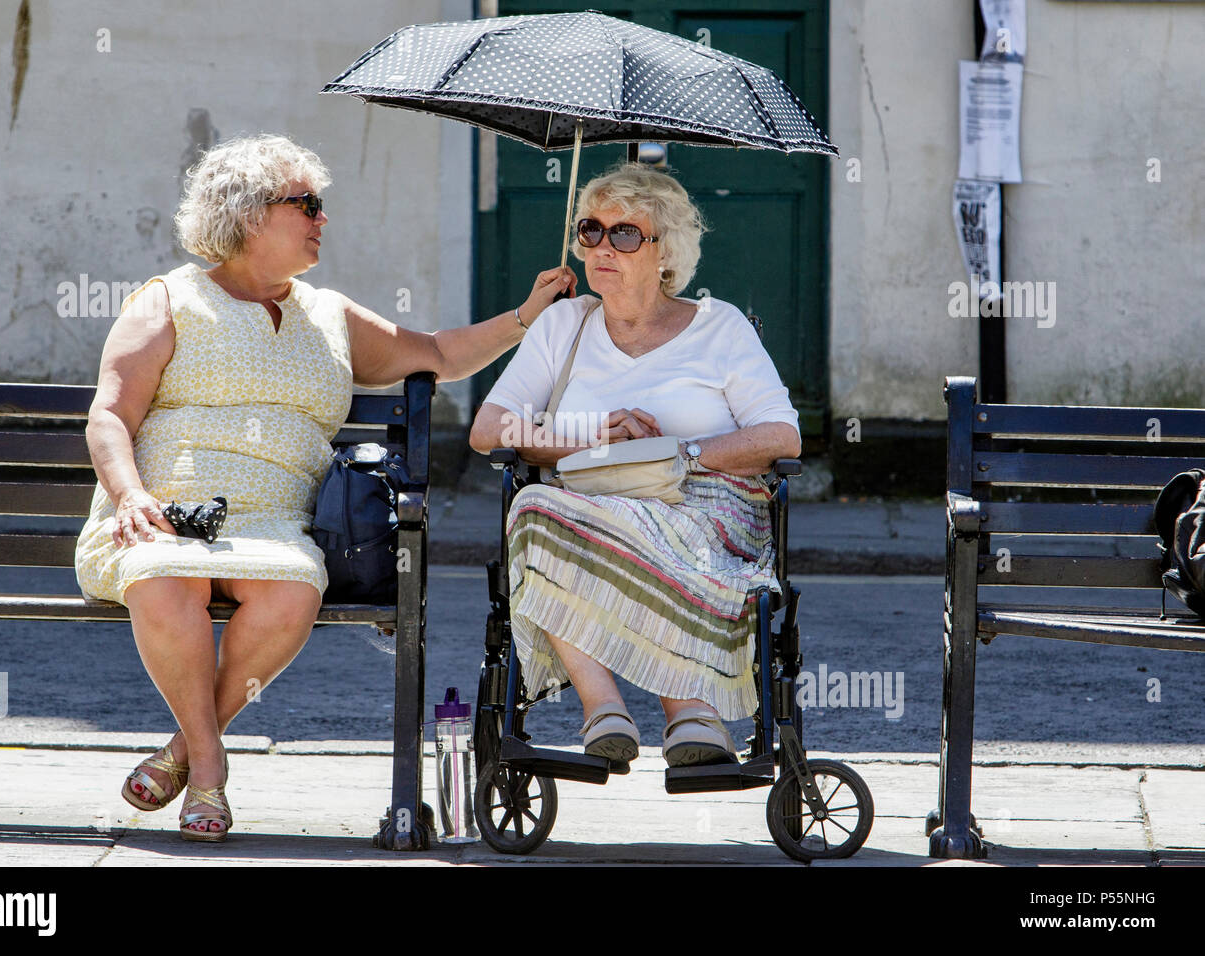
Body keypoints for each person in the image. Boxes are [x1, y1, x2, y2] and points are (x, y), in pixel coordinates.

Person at [74, 134, 574, 841]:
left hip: (273, 522)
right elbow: (110, 415)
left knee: (295, 589)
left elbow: (436, 354)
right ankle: (210, 767)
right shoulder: (169, 302)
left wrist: (529, 315)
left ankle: (185, 750)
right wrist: (130, 497)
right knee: (165, 577)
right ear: (249, 214)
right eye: (306, 203)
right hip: (163, 515)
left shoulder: (330, 316)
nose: (322, 217)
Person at [469, 162, 801, 768]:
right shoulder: (564, 324)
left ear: (664, 251)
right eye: (590, 231)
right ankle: (604, 710)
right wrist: (591, 439)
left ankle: (691, 711)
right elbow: (490, 431)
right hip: (588, 502)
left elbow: (782, 436)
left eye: (625, 234)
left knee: (637, 526)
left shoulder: (717, 326)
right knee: (535, 508)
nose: (602, 247)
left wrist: (676, 451)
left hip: (701, 501)